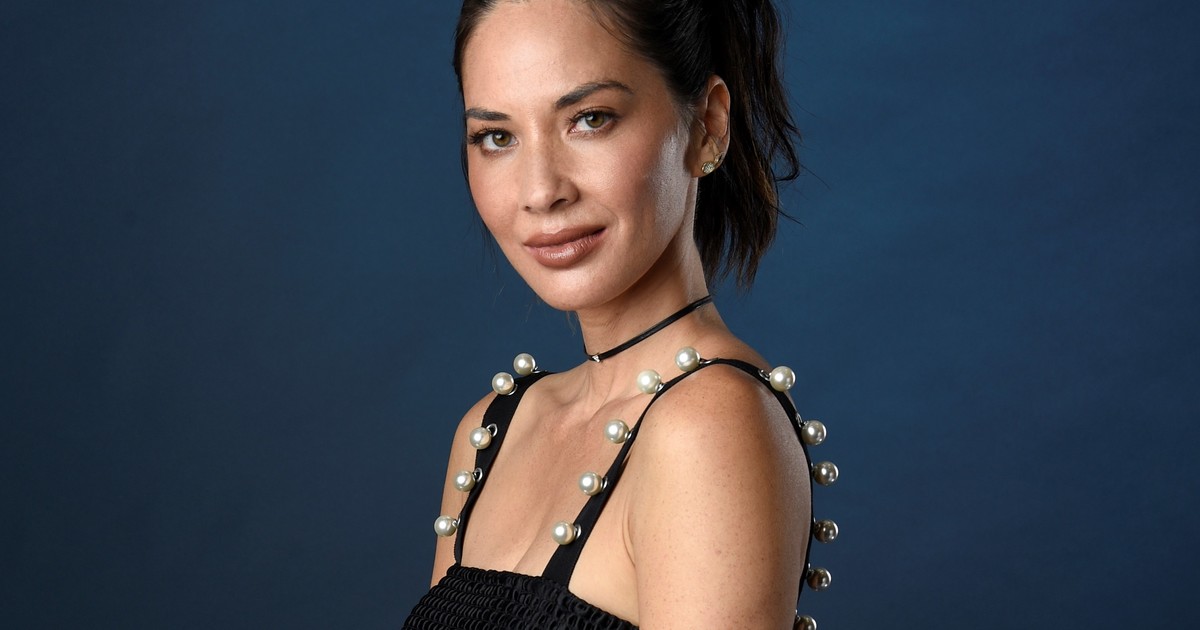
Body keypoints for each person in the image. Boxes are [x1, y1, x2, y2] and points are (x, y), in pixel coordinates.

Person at [404, 0, 837, 627]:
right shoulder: (494, 429)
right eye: (497, 137)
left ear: (707, 125)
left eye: (590, 119)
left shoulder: (707, 426)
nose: (541, 191)